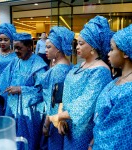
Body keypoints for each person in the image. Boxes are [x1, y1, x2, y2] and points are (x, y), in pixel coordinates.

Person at [48, 16, 114, 150]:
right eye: (77, 43)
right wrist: (61, 116)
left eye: (81, 43)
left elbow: (86, 103)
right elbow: (64, 89)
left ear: (93, 46)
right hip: (68, 126)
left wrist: (58, 116)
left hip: (83, 131)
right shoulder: (79, 65)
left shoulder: (100, 71)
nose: (77, 47)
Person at [0, 33, 48, 150]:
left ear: (29, 47)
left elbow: (42, 91)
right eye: (14, 47)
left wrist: (21, 89)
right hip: (12, 107)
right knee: (12, 137)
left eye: (19, 48)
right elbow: (4, 78)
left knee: (26, 139)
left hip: (28, 111)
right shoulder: (16, 61)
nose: (15, 51)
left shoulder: (38, 65)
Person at [92, 24, 132, 150]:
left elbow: (118, 137)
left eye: (112, 49)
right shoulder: (118, 80)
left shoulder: (129, 91)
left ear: (125, 53)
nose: (108, 54)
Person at [41, 26, 74, 150]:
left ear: (59, 49)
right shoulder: (67, 65)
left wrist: (47, 122)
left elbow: (55, 101)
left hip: (56, 120)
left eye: (49, 47)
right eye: (45, 46)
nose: (45, 50)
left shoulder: (59, 70)